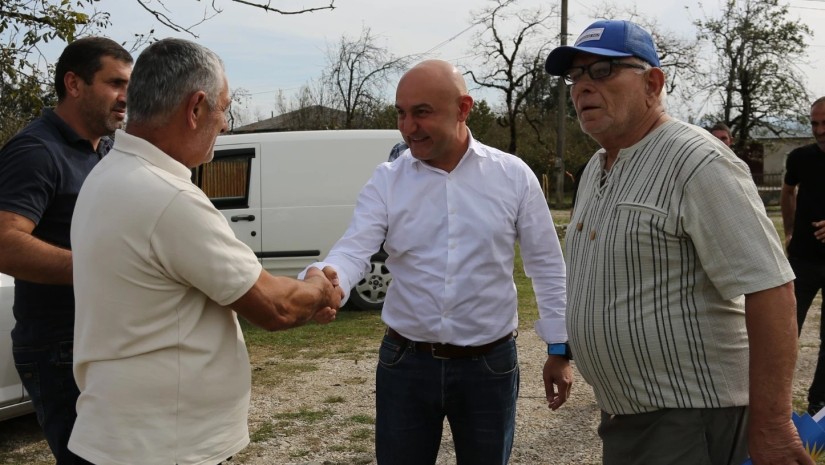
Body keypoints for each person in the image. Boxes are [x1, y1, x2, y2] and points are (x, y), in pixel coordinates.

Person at [544, 19, 811, 465]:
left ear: (653, 82)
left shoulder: (697, 161)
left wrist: (772, 425)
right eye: (577, 76)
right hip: (628, 420)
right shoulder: (595, 168)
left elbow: (771, 288)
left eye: (603, 72)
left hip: (693, 421)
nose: (583, 88)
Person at [67, 38, 342, 465]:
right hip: (163, 445)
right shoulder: (167, 196)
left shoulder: (108, 175)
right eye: (224, 109)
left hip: (124, 435)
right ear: (196, 109)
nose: (227, 125)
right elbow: (276, 308)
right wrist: (318, 286)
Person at [300, 59, 571, 465]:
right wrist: (322, 282)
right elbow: (354, 249)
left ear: (464, 109)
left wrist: (559, 347)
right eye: (401, 113)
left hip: (489, 367)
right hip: (405, 364)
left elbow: (547, 265)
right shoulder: (388, 179)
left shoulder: (513, 176)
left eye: (422, 112)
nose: (408, 127)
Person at [0, 36, 132, 465]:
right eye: (115, 83)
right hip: (60, 346)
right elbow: (5, 242)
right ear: (73, 84)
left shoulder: (108, 151)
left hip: (104, 338)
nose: (125, 97)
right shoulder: (36, 150)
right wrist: (99, 270)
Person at [781, 96, 825, 416]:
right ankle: (773, 404)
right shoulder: (800, 158)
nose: (820, 130)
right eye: (814, 123)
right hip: (803, 260)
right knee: (783, 333)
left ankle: (818, 403)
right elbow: (787, 190)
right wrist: (789, 230)